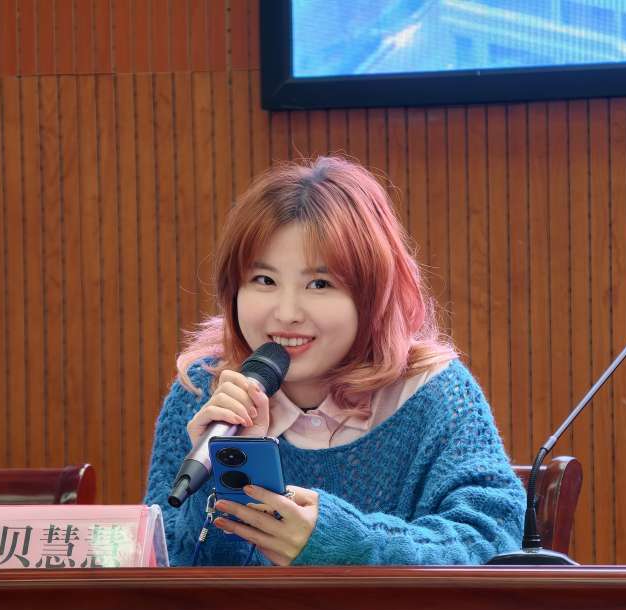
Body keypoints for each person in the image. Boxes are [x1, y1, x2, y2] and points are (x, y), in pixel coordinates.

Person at [143, 156, 525, 566]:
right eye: (264, 280)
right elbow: (164, 570)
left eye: (320, 284)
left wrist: (350, 544)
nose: (287, 313)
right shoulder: (205, 392)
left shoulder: (432, 393)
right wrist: (227, 471)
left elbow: (494, 542)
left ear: (373, 294)